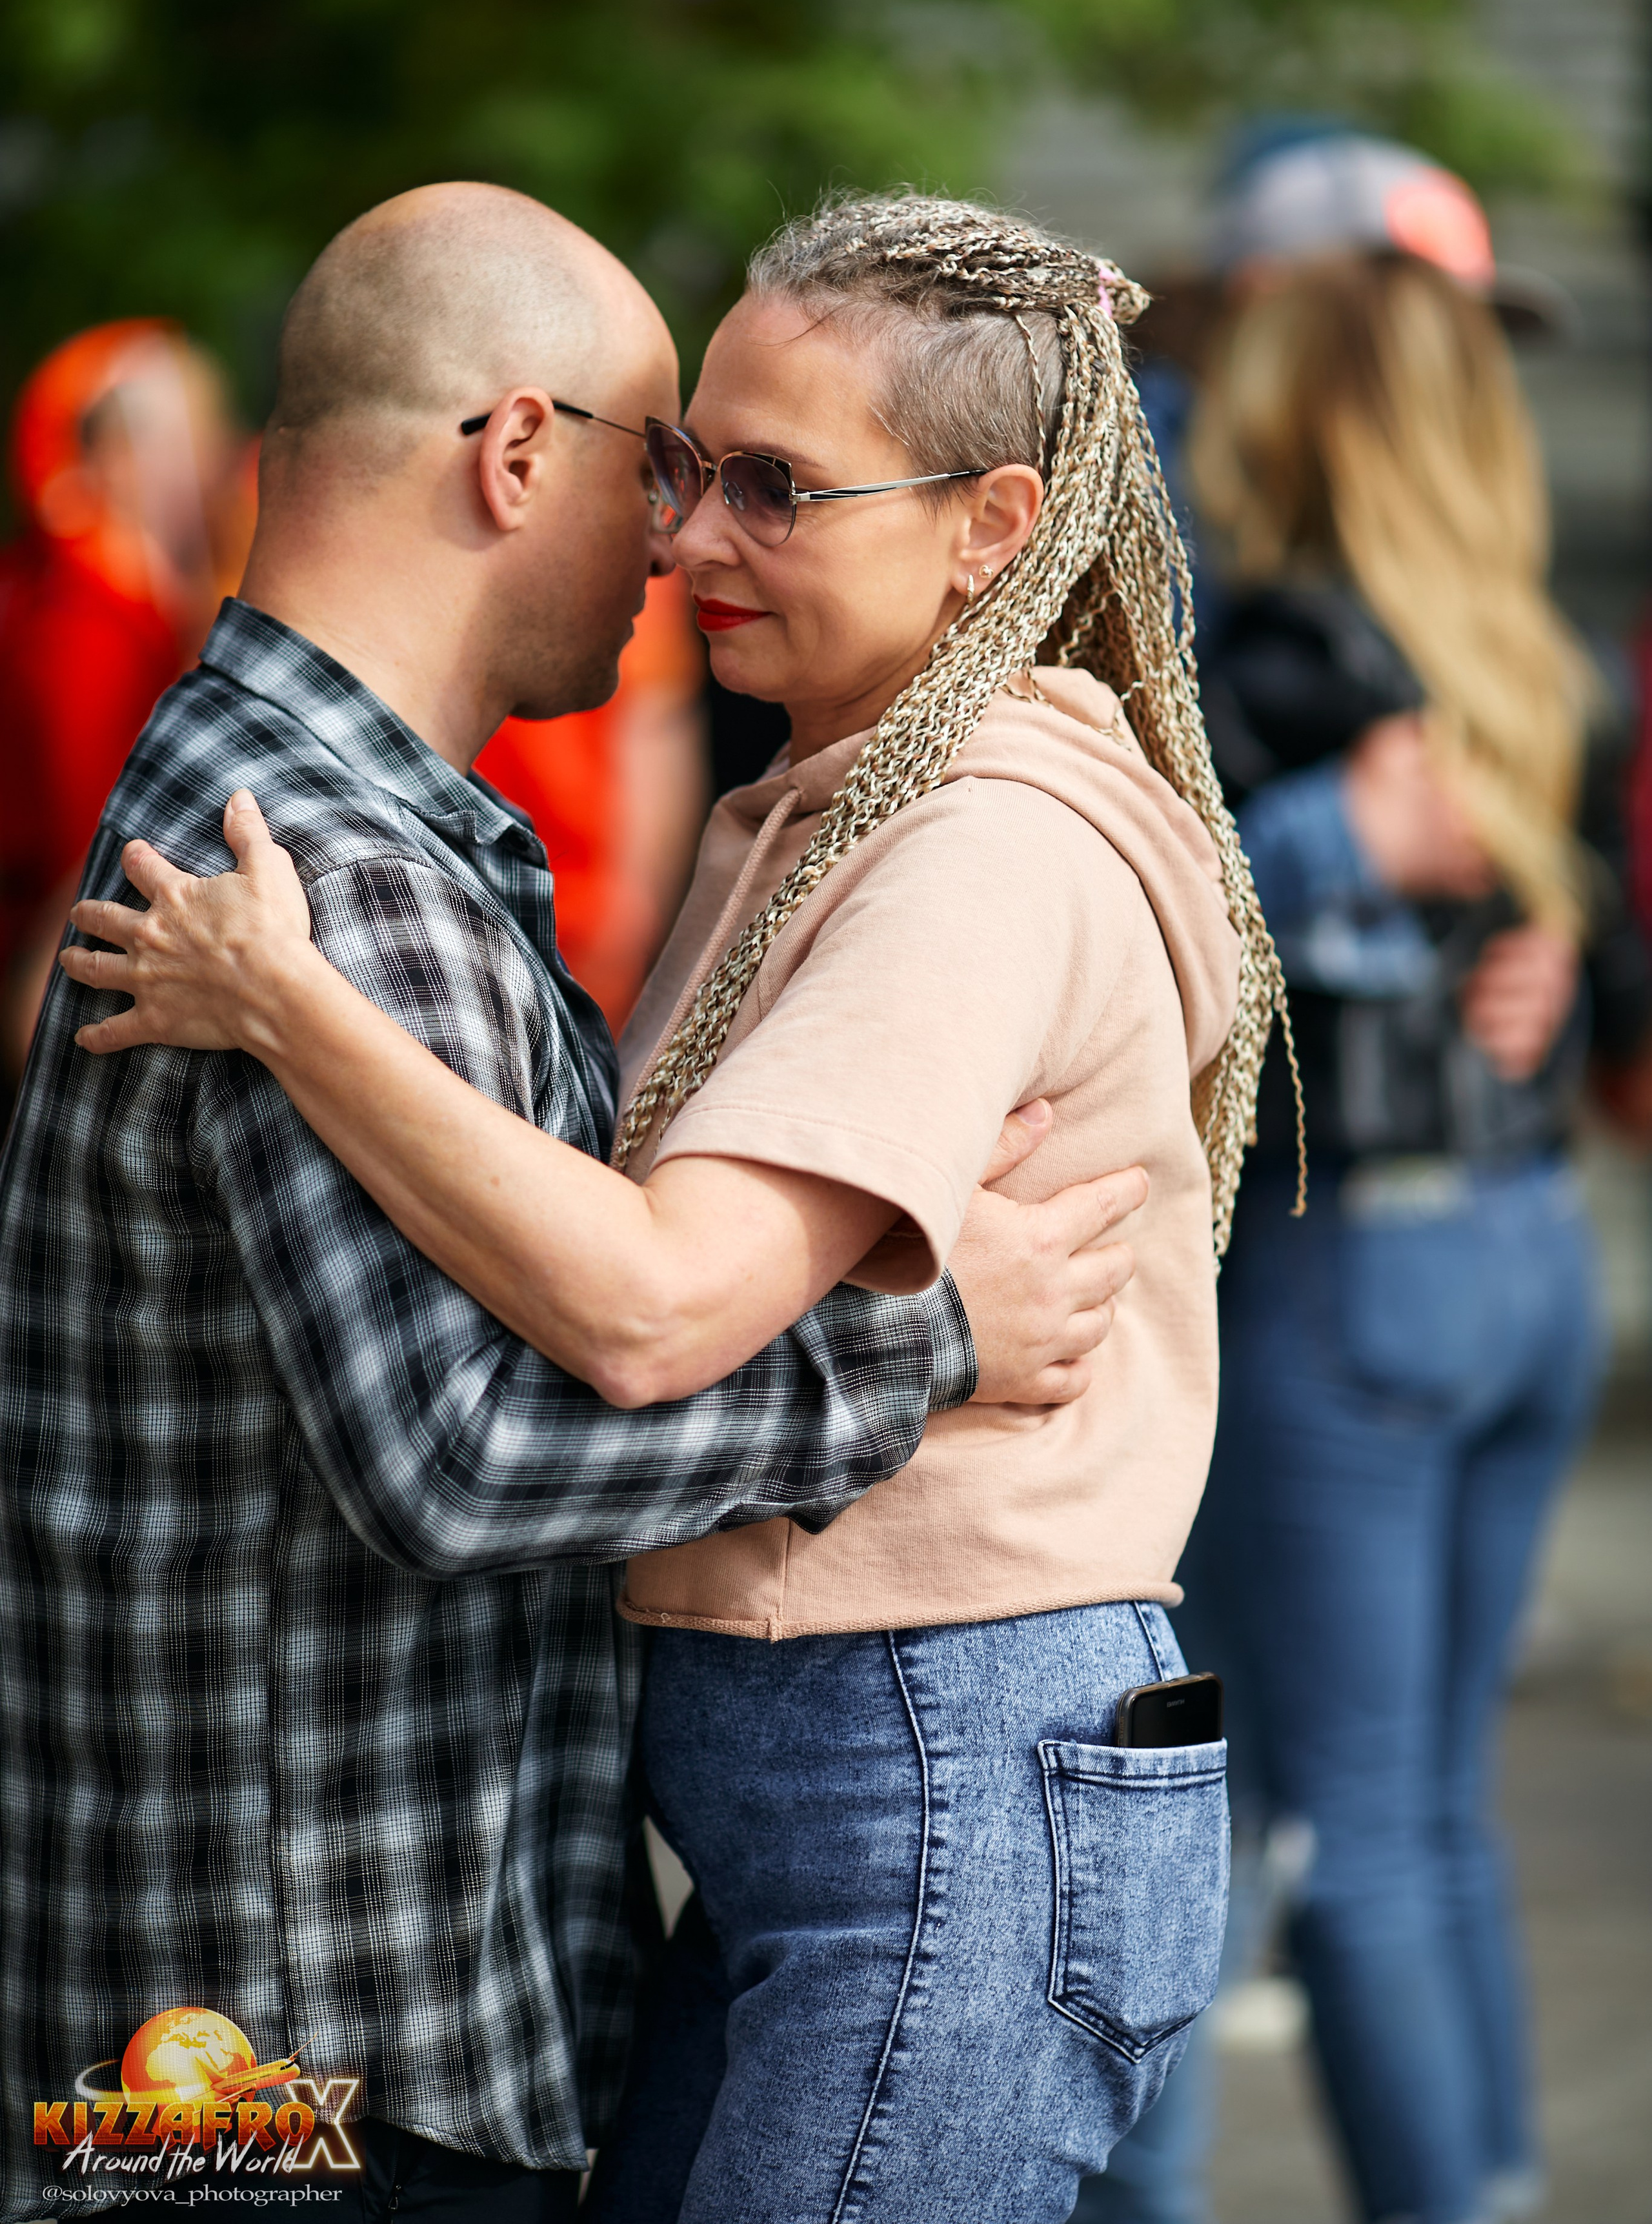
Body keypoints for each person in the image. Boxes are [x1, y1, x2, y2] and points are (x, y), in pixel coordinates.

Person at [62, 194, 1287, 2224]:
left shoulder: (968, 843)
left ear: (986, 524)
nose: (688, 534)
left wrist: (291, 1005)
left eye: (773, 487)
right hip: (837, 1797)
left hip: (928, 1773)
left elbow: (641, 1310)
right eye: (690, 462)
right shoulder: (821, 797)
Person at [1175, 248, 1648, 2224]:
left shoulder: (1275, 659)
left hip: (1356, 1270)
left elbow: (1163, 959)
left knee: (1340, 1833)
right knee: (1429, 1815)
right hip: (1525, 1252)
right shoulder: (1532, 661)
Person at [0, 318, 252, 1089]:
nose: (211, 465)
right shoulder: (87, 614)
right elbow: (96, 834)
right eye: (191, 440)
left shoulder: (110, 593)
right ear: (119, 455)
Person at [476, 567, 709, 1029]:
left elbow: (654, 719)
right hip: (533, 904)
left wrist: (633, 904)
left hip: (581, 917)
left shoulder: (632, 546)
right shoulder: (625, 534)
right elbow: (656, 724)